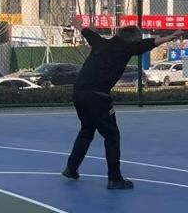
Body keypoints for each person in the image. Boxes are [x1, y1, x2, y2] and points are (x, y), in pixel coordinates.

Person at [65, 18, 179, 189]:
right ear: (133, 40)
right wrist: (169, 37)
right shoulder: (127, 48)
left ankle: (71, 169)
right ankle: (115, 178)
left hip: (79, 93)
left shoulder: (100, 42)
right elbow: (150, 43)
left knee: (86, 131)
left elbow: (86, 32)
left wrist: (78, 25)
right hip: (98, 97)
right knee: (112, 136)